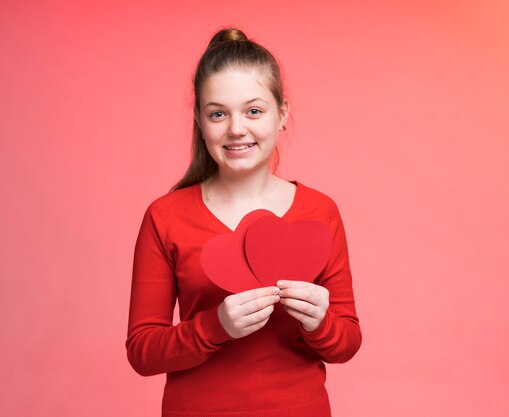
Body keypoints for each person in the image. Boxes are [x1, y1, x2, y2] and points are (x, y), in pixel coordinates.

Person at [125, 27, 362, 417]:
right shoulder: (164, 217)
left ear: (282, 114)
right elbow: (142, 352)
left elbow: (347, 343)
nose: (236, 128)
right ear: (200, 123)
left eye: (254, 111)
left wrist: (321, 322)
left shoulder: (320, 212)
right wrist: (215, 326)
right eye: (218, 113)